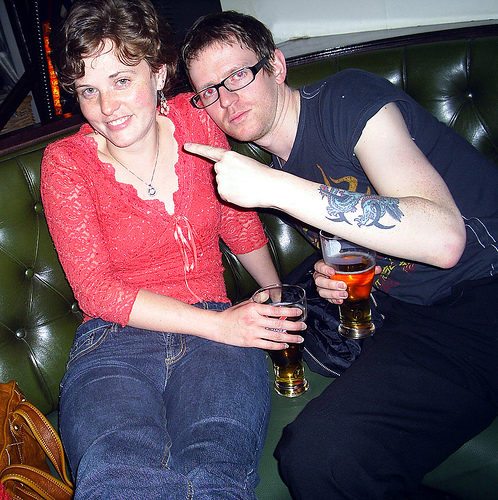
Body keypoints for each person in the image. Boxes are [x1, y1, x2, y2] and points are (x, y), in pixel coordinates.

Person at [181, 10, 498, 500]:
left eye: (238, 74)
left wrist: (277, 189)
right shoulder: (280, 160)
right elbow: (365, 233)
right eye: (209, 91)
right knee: (313, 458)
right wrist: (335, 273)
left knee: (323, 460)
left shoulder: (346, 99)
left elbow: (444, 239)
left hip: (480, 290)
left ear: (276, 66)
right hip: (406, 310)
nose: (226, 99)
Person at [41, 2, 306, 499]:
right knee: (116, 475)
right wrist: (222, 325)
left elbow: (234, 218)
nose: (107, 107)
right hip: (114, 341)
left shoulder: (197, 121)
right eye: (88, 90)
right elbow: (96, 292)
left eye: (122, 80)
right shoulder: (66, 163)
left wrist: (277, 296)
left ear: (159, 73)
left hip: (219, 338)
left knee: (216, 472)